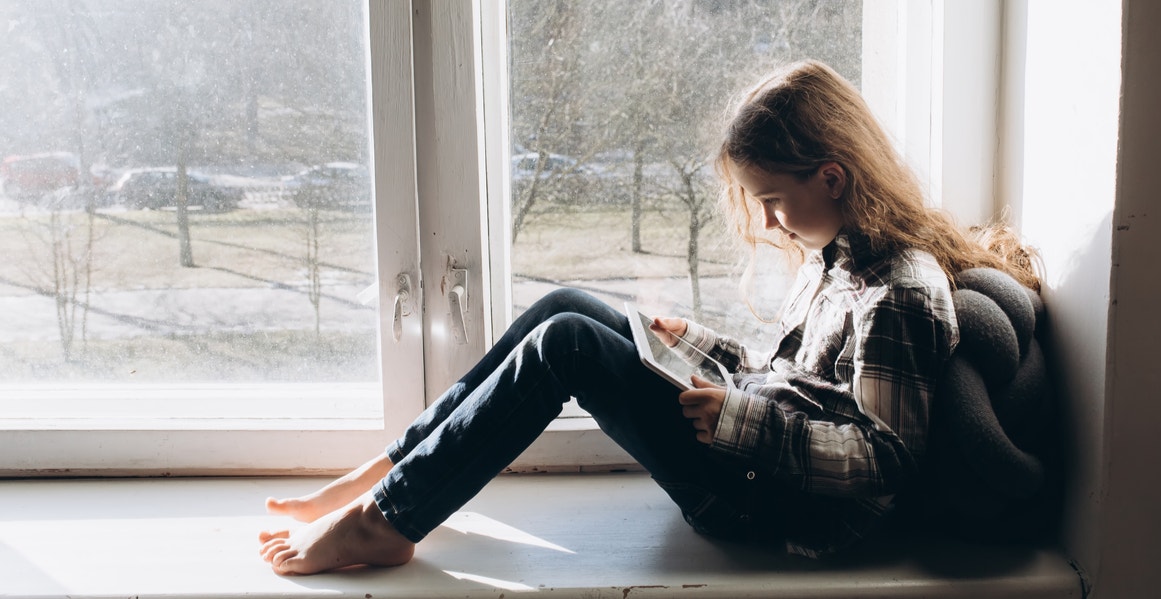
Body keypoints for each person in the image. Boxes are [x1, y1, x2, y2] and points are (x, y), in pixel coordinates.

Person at [258, 60, 1039, 575]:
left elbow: (884, 459)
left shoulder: (896, 291)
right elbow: (793, 379)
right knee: (569, 304)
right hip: (758, 455)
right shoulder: (839, 255)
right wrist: (693, 346)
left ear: (831, 177)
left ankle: (387, 519)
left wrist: (737, 420)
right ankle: (397, 467)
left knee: (565, 344)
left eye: (773, 202)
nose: (768, 223)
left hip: (777, 504)